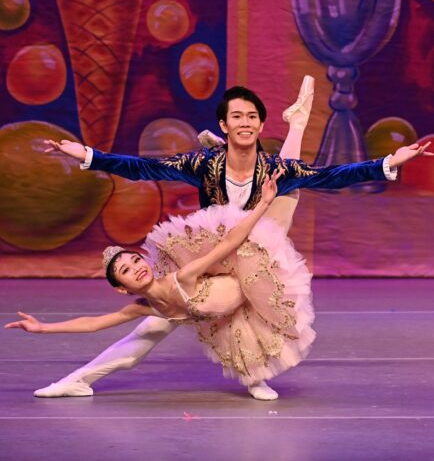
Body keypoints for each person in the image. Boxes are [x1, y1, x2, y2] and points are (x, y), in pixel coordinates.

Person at [31, 77, 432, 399]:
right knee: (150, 328)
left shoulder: (273, 169)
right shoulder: (203, 164)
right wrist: (89, 156)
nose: (245, 122)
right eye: (237, 116)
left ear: (260, 125)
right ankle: (77, 380)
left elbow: (331, 176)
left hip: (258, 239)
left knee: (286, 196)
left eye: (252, 116)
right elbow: (142, 167)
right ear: (224, 126)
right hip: (217, 250)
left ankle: (254, 376)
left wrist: (388, 163)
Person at [4, 169, 316, 391]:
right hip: (207, 312)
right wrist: (43, 328)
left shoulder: (184, 276)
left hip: (245, 278)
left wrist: (263, 203)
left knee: (280, 211)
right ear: (121, 288)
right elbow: (94, 323)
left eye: (135, 260)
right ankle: (74, 382)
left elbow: (229, 242)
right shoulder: (143, 306)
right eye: (126, 270)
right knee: (135, 347)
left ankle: (294, 128)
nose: (137, 267)